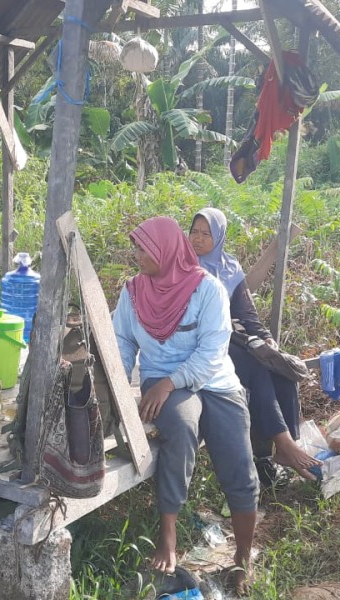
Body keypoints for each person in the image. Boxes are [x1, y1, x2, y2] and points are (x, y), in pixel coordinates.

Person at [113, 216, 259, 592]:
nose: (137, 255)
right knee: (180, 426)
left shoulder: (207, 289)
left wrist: (169, 383)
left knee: (238, 461)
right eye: (136, 248)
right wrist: (117, 385)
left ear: (165, 250)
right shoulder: (133, 292)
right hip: (163, 381)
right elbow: (123, 341)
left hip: (214, 380)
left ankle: (243, 557)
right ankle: (168, 535)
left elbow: (212, 352)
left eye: (144, 249)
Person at [188, 207, 320, 483]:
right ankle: (283, 444)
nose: (197, 239)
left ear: (219, 237)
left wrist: (267, 339)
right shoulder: (183, 266)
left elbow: (246, 313)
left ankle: (284, 448)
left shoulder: (229, 267)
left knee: (279, 367)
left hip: (231, 338)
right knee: (255, 366)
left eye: (206, 234)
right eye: (194, 232)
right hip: (198, 342)